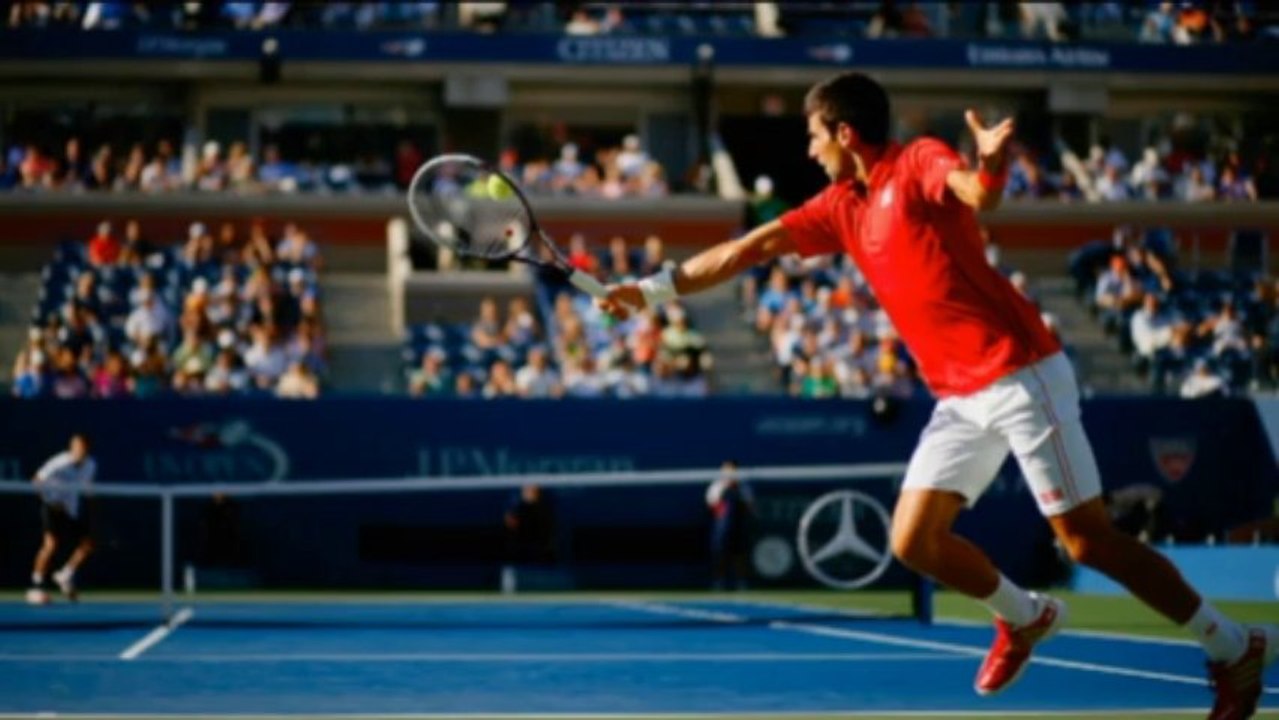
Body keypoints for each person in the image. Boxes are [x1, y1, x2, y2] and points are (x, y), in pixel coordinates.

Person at [597, 71, 1276, 717]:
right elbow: (753, 245)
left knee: (1086, 543)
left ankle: (1230, 644)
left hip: (1020, 375)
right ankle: (1025, 614)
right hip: (958, 396)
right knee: (914, 541)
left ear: (843, 133)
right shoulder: (839, 207)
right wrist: (653, 290)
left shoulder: (917, 160)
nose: (806, 149)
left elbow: (977, 194)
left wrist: (989, 166)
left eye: (811, 135)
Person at [28, 434, 96, 603]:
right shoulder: (59, 462)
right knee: (50, 545)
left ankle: (65, 575)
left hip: (71, 510)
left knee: (88, 544)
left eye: (83, 448)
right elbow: (36, 480)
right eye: (77, 447)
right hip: (51, 506)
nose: (80, 451)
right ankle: (36, 586)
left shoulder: (91, 465)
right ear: (71, 448)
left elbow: (86, 488)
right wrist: (51, 499)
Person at [705, 460, 755, 590]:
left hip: (739, 525)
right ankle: (718, 581)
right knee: (719, 553)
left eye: (732, 469)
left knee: (740, 554)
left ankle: (741, 581)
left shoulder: (743, 487)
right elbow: (711, 505)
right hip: (721, 525)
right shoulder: (716, 486)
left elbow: (749, 506)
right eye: (726, 469)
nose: (729, 472)